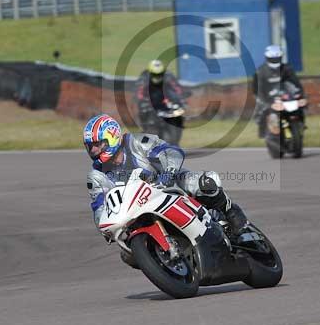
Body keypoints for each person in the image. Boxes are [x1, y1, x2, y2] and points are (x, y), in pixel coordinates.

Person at [83, 114, 249, 267]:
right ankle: (166, 262)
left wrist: (169, 171)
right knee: (127, 255)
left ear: (112, 137)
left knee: (203, 183)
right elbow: (99, 208)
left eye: (98, 144)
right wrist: (105, 228)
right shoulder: (96, 176)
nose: (94, 151)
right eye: (90, 147)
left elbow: (170, 151)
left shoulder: (136, 142)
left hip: (169, 185)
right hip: (138, 211)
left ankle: (235, 218)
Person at [252, 45, 306, 138]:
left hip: (284, 96)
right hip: (268, 98)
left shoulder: (287, 68)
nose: (275, 61)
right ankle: (264, 131)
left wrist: (300, 96)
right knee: (261, 112)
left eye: (277, 58)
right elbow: (258, 90)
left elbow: (296, 83)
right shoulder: (261, 71)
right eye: (272, 59)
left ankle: (300, 124)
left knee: (300, 106)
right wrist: (267, 102)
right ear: (267, 58)